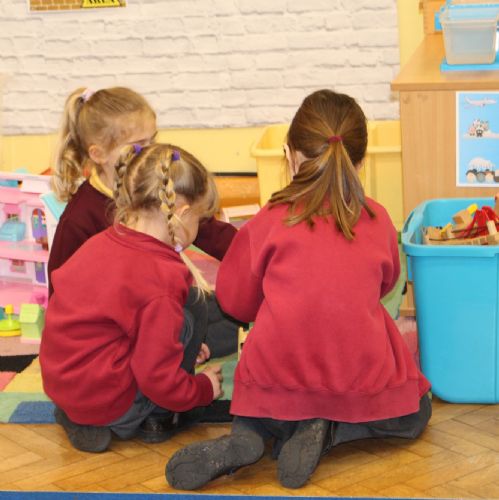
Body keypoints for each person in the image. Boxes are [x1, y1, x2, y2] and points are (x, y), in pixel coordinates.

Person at [166, 89, 432, 490]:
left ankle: (249, 438)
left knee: (261, 399)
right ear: (360, 163)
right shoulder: (377, 218)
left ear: (290, 156)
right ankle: (332, 430)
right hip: (356, 374)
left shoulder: (269, 220)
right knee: (416, 411)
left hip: (275, 379)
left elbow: (236, 302)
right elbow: (387, 283)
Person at [40, 144, 225, 453]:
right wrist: (202, 389)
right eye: (200, 219)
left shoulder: (97, 244)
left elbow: (108, 325)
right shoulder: (162, 278)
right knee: (192, 309)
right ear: (182, 214)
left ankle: (80, 416)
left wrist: (172, 345)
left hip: (63, 386)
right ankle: (155, 418)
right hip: (113, 401)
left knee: (175, 320)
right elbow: (156, 377)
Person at [48, 86, 241, 358]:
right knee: (208, 321)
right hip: (122, 327)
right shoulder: (79, 219)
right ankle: (186, 350)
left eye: (153, 140)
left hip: (160, 300)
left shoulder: (158, 182)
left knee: (229, 306)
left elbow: (207, 229)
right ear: (98, 154)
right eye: (139, 146)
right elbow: (60, 300)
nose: (150, 152)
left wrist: (257, 255)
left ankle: (195, 343)